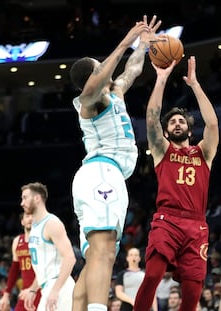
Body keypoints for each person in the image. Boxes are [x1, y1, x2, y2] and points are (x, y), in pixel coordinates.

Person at [68, 15, 162, 311]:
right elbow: (94, 85)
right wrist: (125, 41)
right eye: (100, 66)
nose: (107, 67)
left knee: (95, 257)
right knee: (104, 251)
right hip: (101, 172)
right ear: (92, 76)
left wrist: (142, 47)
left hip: (106, 176)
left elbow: (132, 70)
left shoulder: (116, 92)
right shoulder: (89, 102)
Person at [133, 54, 219, 311]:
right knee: (152, 276)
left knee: (193, 292)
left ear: (190, 131)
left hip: (196, 225)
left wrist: (195, 85)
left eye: (181, 120)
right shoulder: (162, 151)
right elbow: (151, 118)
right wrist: (161, 79)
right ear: (167, 132)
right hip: (167, 220)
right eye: (172, 122)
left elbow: (213, 123)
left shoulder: (203, 153)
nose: (177, 123)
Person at [20, 182, 76, 311]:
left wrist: (56, 290)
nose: (22, 203)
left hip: (60, 286)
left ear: (37, 198)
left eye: (25, 198)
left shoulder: (52, 224)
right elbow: (42, 266)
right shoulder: (34, 227)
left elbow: (70, 258)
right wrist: (33, 290)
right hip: (47, 286)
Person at [0, 212, 41, 311]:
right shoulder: (17, 241)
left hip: (41, 290)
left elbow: (46, 268)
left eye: (33, 216)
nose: (30, 219)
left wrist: (33, 289)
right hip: (25, 292)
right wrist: (6, 294)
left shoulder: (42, 239)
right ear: (22, 222)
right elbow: (14, 270)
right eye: (27, 216)